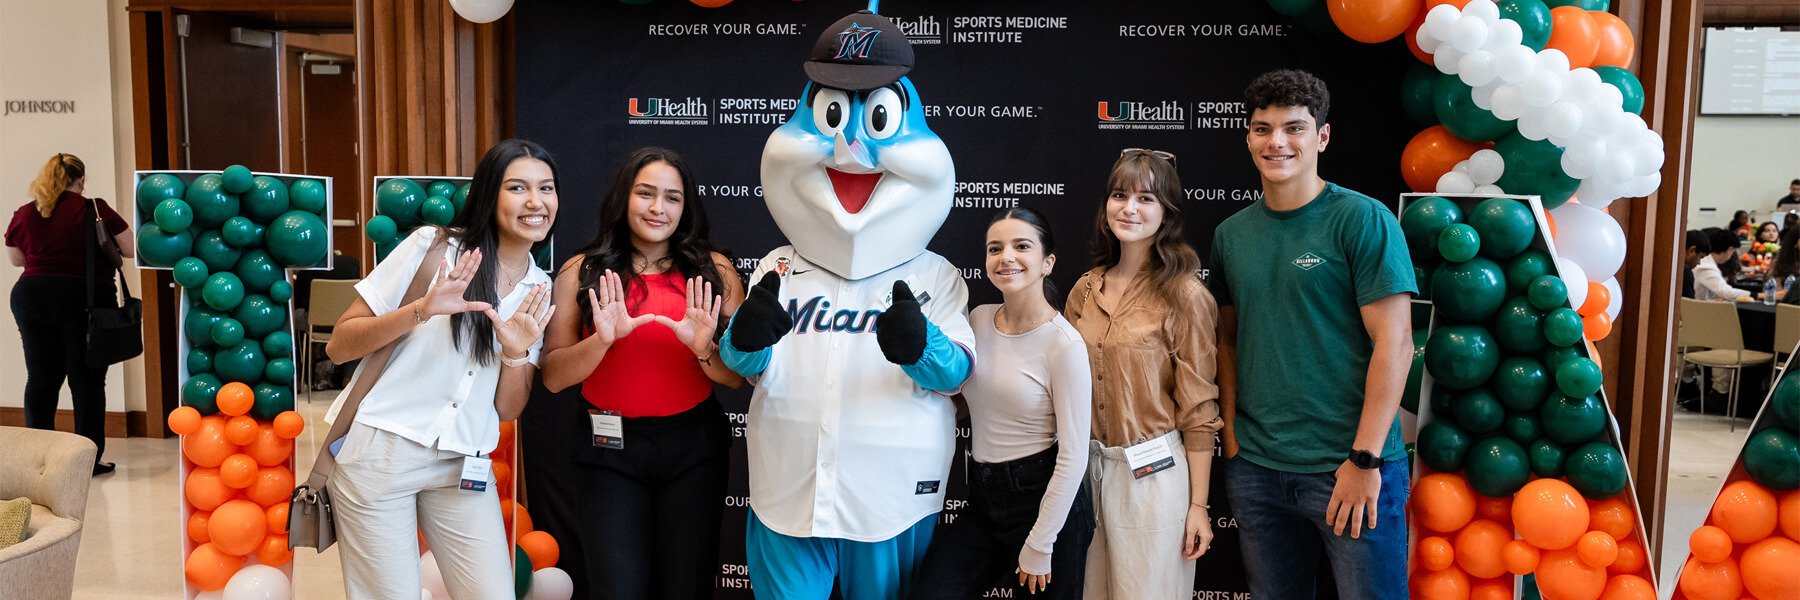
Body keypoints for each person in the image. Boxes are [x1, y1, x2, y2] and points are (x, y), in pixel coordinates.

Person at [322, 139, 558, 599]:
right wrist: (421, 310)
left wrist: (514, 354)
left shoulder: (539, 286)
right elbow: (338, 345)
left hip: (464, 463)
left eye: (546, 188)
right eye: (518, 187)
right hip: (381, 451)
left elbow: (508, 409)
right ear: (490, 195)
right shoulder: (432, 247)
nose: (536, 202)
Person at [1212, 69, 1415, 600]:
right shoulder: (1231, 234)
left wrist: (1365, 459)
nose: (1276, 142)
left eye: (1293, 128)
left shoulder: (1362, 220)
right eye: (1262, 128)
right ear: (1248, 136)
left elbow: (1395, 343)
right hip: (1257, 469)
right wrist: (1233, 435)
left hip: (1348, 465)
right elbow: (1227, 340)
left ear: (1321, 137)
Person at [540, 147, 744, 600]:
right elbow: (553, 377)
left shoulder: (717, 271)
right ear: (623, 198)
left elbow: (739, 379)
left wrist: (704, 349)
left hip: (693, 449)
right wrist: (602, 340)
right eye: (645, 193)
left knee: (686, 589)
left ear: (686, 206)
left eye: (672, 197)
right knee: (618, 589)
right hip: (606, 449)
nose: (658, 208)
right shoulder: (581, 271)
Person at [909, 208, 1093, 599]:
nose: (1005, 256)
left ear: (1047, 263)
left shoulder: (1065, 345)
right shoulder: (977, 318)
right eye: (995, 248)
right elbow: (954, 389)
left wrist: (1042, 542)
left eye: (1021, 246)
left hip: (1042, 503)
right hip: (982, 500)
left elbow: (1074, 457)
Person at [1064, 148, 1221, 599]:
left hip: (1154, 476)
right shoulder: (1085, 289)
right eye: (1119, 195)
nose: (1129, 208)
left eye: (1146, 199)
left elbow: (1199, 410)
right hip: (1087, 473)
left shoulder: (1185, 296)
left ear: (1167, 213)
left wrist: (1198, 506)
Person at [6, 153, 133, 476]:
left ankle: (36, 458)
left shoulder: (26, 212)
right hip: (85, 300)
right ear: (81, 180)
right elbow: (131, 249)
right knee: (87, 381)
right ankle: (85, 461)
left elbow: (17, 260)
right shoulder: (94, 209)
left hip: (31, 297)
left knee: (41, 378)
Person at [1693, 227, 1750, 302]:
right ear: (1730, 249)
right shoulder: (1706, 267)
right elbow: (1727, 292)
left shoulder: (1707, 262)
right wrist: (1755, 295)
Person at [1682, 229, 1711, 299]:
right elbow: (1689, 306)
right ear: (1692, 251)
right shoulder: (1685, 274)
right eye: (1700, 257)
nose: (1699, 263)